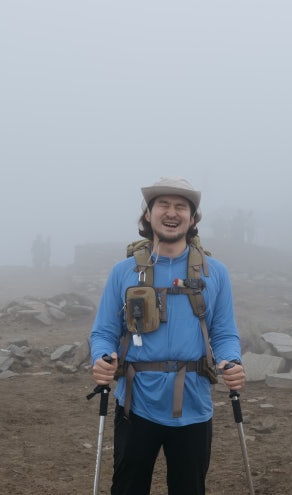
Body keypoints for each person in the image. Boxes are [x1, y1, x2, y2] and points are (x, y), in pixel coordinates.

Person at [90, 176, 245, 495]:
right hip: (136, 404)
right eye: (163, 205)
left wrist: (231, 360)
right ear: (148, 215)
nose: (171, 213)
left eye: (180, 206)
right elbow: (104, 331)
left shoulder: (216, 273)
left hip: (194, 402)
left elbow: (224, 333)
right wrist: (102, 358)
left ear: (192, 218)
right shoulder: (124, 272)